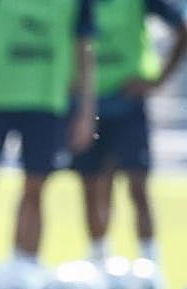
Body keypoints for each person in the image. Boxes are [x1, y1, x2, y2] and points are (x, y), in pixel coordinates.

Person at [0, 0, 97, 273]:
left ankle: (24, 267)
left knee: (35, 188)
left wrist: (87, 112)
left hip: (47, 102)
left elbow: (85, 51)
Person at [71, 0, 186, 263]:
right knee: (92, 185)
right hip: (87, 105)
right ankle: (99, 259)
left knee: (138, 187)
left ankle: (150, 262)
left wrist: (158, 79)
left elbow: (182, 27)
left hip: (128, 106)